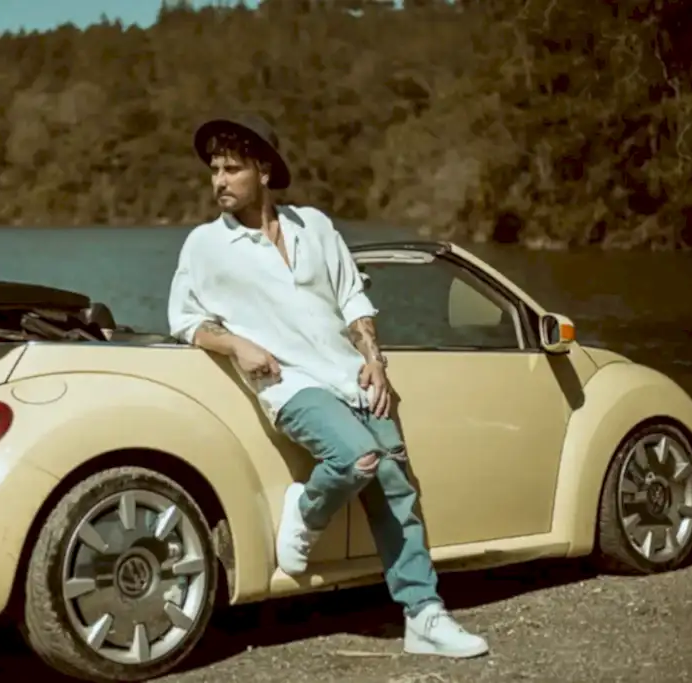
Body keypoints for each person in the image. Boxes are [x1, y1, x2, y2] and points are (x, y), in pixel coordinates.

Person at [166, 113, 490, 659]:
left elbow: (351, 296)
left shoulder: (313, 225)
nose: (218, 181)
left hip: (350, 375)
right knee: (358, 457)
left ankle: (424, 615)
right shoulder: (205, 244)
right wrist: (237, 345)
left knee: (397, 488)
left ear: (264, 171)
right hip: (289, 384)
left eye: (231, 169)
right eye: (214, 170)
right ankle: (307, 511)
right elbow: (185, 321)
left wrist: (374, 359)